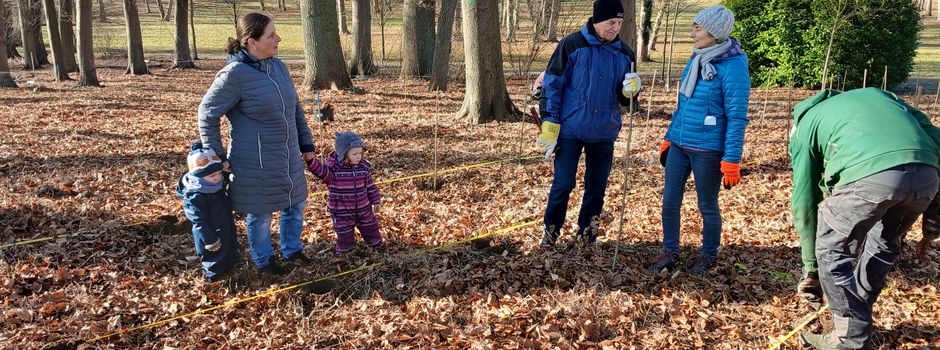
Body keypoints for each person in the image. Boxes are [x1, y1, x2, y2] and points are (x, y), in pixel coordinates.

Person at [789, 88, 940, 350]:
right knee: (883, 243)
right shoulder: (881, 97)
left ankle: (850, 340)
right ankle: (856, 318)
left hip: (869, 177)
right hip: (926, 177)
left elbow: (805, 199)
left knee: (831, 252)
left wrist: (811, 266)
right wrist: (935, 212)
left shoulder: (806, 124)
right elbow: (935, 137)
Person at [198, 13, 316, 275]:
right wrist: (215, 155)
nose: (278, 39)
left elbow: (295, 108)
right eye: (271, 35)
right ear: (252, 42)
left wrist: (306, 143)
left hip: (287, 158)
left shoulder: (279, 67)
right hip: (255, 163)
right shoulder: (234, 75)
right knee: (261, 215)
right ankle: (264, 261)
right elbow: (207, 113)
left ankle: (292, 250)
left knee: (295, 205)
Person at [646, 5, 750, 275]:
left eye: (697, 28)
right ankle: (670, 252)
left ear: (714, 33)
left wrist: (731, 160)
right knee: (670, 201)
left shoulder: (733, 66)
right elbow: (683, 104)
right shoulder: (697, 59)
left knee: (707, 205)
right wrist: (670, 137)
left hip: (708, 149)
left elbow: (737, 117)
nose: (692, 33)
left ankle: (708, 255)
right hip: (680, 144)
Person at [536, 0, 641, 247]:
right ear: (596, 20)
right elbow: (552, 86)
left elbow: (625, 98)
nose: (615, 28)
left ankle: (587, 234)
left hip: (604, 131)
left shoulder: (626, 53)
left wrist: (630, 92)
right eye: (610, 22)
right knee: (563, 184)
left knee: (596, 188)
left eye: (619, 23)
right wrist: (550, 123)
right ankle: (550, 233)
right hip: (571, 130)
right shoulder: (571, 46)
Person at [306, 132, 384, 254]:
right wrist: (311, 161)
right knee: (344, 234)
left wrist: (376, 200)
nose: (358, 156)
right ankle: (345, 252)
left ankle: (377, 247)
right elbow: (321, 172)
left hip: (364, 208)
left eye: (360, 153)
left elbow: (370, 185)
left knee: (371, 228)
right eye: (354, 154)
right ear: (344, 154)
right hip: (341, 211)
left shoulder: (363, 168)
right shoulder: (334, 170)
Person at [175, 142, 242, 282]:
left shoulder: (215, 185)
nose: (217, 177)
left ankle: (230, 265)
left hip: (225, 225)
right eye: (212, 175)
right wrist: (210, 239)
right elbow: (199, 221)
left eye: (218, 173)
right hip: (209, 232)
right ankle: (214, 276)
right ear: (199, 176)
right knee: (213, 255)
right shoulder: (195, 196)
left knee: (228, 247)